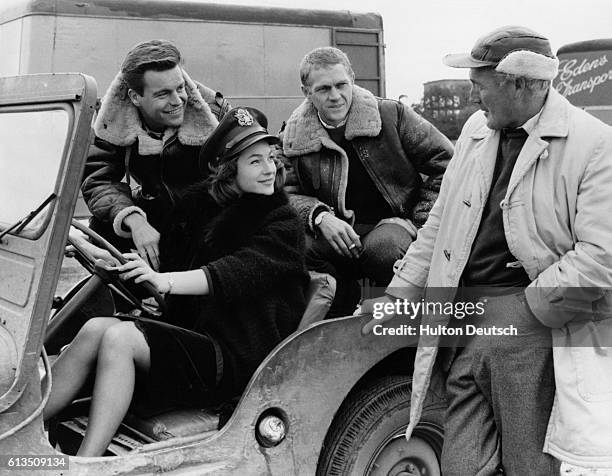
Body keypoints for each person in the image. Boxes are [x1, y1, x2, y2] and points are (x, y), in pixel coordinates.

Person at [364, 26, 612, 474]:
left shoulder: (593, 143)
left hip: (529, 329)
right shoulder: (478, 130)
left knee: (528, 464)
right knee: (461, 463)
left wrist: (525, 309)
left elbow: (601, 256)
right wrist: (399, 293)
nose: (472, 98)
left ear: (520, 84)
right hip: (460, 321)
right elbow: (441, 224)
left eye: (480, 86)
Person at [44, 107, 310, 456]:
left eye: (271, 160)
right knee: (95, 327)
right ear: (227, 169)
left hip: (234, 357)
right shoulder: (200, 206)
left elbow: (230, 274)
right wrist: (130, 266)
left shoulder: (282, 222)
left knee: (121, 338)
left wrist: (164, 280)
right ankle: (16, 429)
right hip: (191, 337)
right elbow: (168, 263)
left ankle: (85, 464)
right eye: (255, 161)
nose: (270, 170)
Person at [280, 46, 453, 316]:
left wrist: (416, 220)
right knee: (297, 248)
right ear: (306, 92)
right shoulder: (293, 134)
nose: (335, 96)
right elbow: (285, 193)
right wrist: (319, 216)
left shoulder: (392, 115)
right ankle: (333, 325)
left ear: (353, 80)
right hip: (336, 231)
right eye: (324, 89)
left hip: (395, 224)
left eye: (341, 85)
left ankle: (402, 333)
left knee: (384, 250)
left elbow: (446, 164)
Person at [81, 39, 231, 271]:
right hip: (161, 213)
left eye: (180, 88)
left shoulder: (214, 112)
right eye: (163, 94)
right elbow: (98, 178)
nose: (178, 100)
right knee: (103, 226)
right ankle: (127, 302)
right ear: (134, 97)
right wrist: (134, 219)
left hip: (214, 214)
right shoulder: (112, 120)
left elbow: (259, 163)